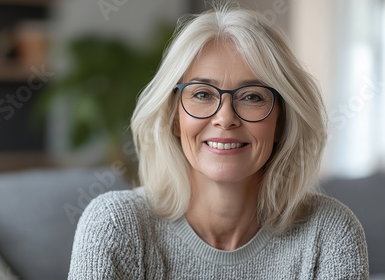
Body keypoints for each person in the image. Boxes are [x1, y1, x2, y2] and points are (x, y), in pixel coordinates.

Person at [68, 3, 369, 279]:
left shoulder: (330, 233)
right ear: (174, 116)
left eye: (252, 97)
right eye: (202, 94)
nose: (225, 118)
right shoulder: (114, 225)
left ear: (281, 123)